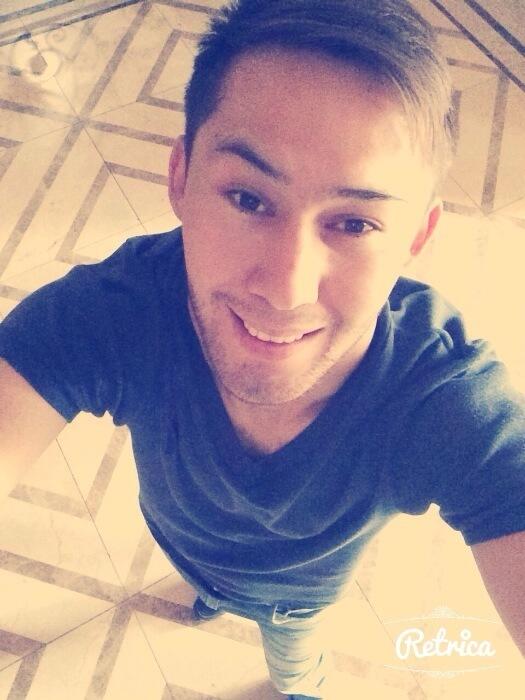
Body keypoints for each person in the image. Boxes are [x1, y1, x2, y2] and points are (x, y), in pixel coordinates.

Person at [0, 0, 524, 697]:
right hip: (182, 544)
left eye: (354, 223)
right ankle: (211, 592)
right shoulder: (116, 312)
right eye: (248, 198)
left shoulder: (442, 397)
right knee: (205, 582)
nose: (285, 289)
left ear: (415, 238)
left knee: (291, 658)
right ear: (180, 178)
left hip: (296, 600)